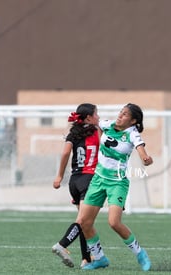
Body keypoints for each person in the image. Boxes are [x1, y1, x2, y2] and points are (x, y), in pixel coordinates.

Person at [76, 103, 153, 271]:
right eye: (121, 112)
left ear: (132, 121)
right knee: (83, 222)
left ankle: (141, 254)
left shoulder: (133, 134)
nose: (120, 115)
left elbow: (141, 150)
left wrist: (145, 158)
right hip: (98, 180)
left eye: (125, 114)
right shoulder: (106, 124)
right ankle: (100, 259)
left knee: (114, 222)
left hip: (117, 182)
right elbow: (92, 122)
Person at [52, 103, 100, 268]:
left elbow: (65, 152)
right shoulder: (96, 130)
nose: (98, 117)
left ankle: (86, 258)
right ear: (88, 117)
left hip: (75, 180)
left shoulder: (73, 133)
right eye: (96, 114)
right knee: (83, 220)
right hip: (89, 179)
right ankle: (62, 245)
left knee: (85, 222)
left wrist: (59, 175)